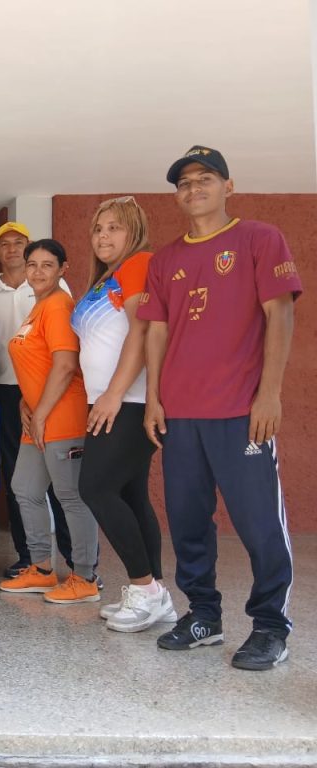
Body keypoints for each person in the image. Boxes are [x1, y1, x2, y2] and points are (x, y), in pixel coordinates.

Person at [140, 146, 302, 670]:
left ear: (228, 186)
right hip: (181, 413)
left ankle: (271, 626)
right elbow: (157, 331)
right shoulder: (165, 260)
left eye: (205, 178)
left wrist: (270, 393)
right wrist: (154, 398)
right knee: (188, 522)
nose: (194, 188)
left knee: (259, 524)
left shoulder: (259, 238)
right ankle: (204, 616)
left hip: (241, 411)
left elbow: (280, 315)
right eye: (184, 182)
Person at [71, 196, 174, 632]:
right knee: (131, 495)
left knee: (95, 488)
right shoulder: (105, 279)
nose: (103, 236)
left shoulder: (139, 263)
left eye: (114, 227)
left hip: (128, 401)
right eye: (98, 229)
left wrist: (113, 393)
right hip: (108, 399)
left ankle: (144, 587)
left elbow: (142, 329)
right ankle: (156, 594)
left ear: (134, 231)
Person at [0, 239, 100, 604]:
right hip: (38, 416)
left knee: (70, 496)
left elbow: (66, 364)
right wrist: (26, 404)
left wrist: (40, 412)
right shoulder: (38, 308)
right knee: (25, 488)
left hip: (62, 416)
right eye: (32, 265)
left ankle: (85, 577)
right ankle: (42, 569)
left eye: (47, 265)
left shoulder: (58, 305)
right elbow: (36, 365)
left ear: (62, 269)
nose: (38, 271)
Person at [0, 222, 75, 578]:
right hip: (9, 393)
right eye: (4, 244)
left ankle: (78, 564)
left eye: (18, 242)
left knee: (63, 483)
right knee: (18, 478)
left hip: (54, 391)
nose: (12, 249)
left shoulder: (54, 291)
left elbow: (65, 353)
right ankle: (29, 558)